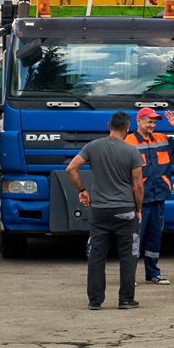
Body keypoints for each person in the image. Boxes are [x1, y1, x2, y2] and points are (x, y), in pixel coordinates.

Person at [65, 111, 145, 310]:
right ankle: (126, 299)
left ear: (109, 125)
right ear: (127, 128)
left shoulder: (92, 147)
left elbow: (71, 169)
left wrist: (82, 190)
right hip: (125, 211)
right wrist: (138, 209)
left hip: (99, 211)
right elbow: (138, 186)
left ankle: (95, 300)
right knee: (128, 255)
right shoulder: (132, 151)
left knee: (96, 255)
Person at [125, 106, 174, 285]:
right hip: (139, 199)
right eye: (149, 121)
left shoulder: (162, 139)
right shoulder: (128, 142)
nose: (152, 124)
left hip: (158, 197)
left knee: (155, 237)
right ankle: (130, 275)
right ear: (139, 121)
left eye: (154, 121)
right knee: (135, 237)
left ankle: (152, 273)